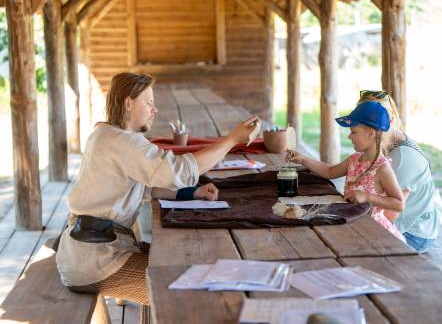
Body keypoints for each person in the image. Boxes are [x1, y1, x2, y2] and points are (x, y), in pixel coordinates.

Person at [55, 72, 259, 308]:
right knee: (187, 290)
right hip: (96, 262)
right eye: (149, 102)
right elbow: (179, 171)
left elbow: (148, 187)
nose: (155, 109)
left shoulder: (105, 135)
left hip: (89, 252)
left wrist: (192, 193)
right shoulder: (122, 142)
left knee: (183, 262)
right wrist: (233, 139)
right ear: (129, 103)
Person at [287, 101, 406, 242]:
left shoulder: (382, 168)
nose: (349, 137)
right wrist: (303, 159)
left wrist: (368, 197)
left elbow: (399, 203)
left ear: (371, 133)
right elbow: (329, 171)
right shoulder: (354, 159)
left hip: (375, 231)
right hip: (352, 223)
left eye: (353, 132)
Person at [357, 90, 442, 253]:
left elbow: (388, 217)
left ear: (390, 120)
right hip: (389, 220)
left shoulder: (403, 156)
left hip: (414, 232)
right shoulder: (382, 142)